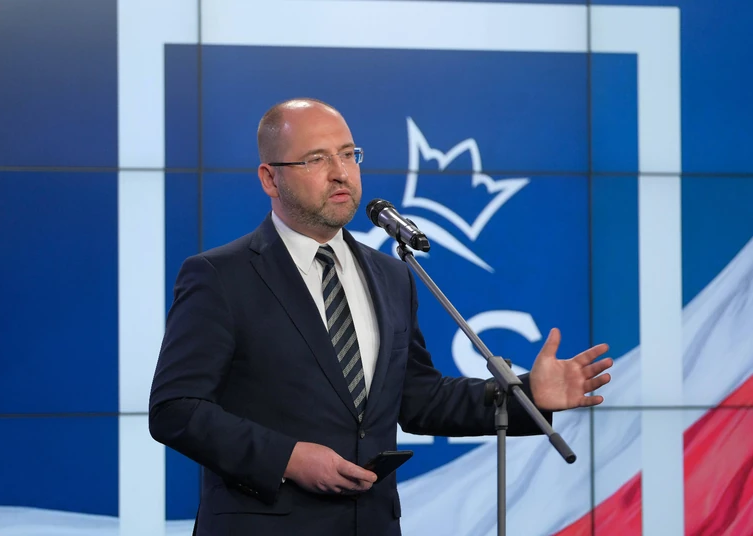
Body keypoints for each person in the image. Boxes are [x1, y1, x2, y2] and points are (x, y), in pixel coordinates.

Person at [148, 98, 613, 536]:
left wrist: (528, 394)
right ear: (270, 179)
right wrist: (287, 458)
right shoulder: (221, 276)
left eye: (348, 155)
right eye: (316, 159)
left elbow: (420, 399)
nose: (340, 173)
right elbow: (175, 409)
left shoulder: (392, 274)